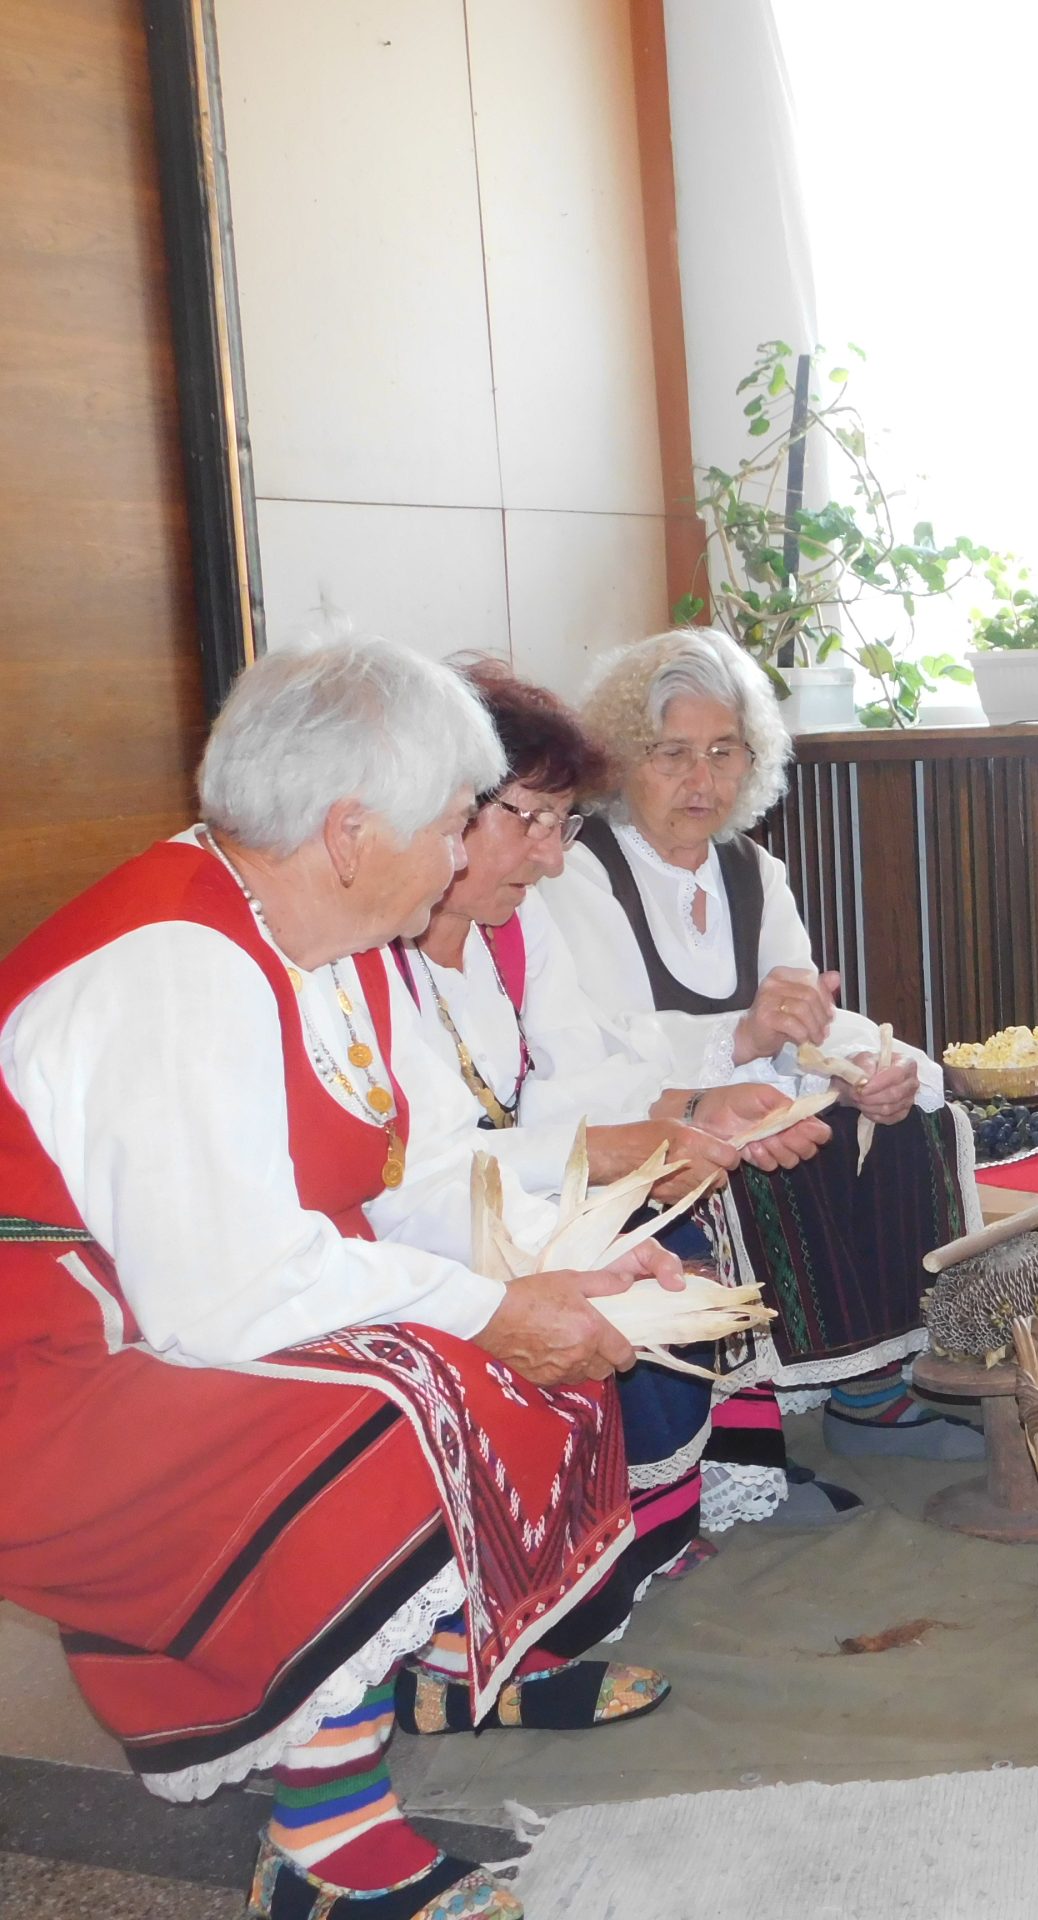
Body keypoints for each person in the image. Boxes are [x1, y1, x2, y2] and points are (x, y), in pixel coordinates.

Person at [0, 638, 681, 1919]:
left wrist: (559, 1271)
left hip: (156, 1326)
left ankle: (427, 1659)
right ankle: (324, 1841)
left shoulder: (327, 945)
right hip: (45, 1378)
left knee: (506, 1339)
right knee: (399, 1402)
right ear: (352, 830)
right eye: (453, 824)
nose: (465, 855)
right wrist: (493, 1311)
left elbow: (417, 1182)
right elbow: (228, 1291)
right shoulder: (180, 960)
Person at [402, 661, 854, 1556]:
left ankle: (668, 1503)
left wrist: (695, 1118)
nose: (553, 854)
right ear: (441, 813)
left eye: (559, 822)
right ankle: (612, 1522)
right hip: (432, 1217)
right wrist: (642, 1138)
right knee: (654, 1233)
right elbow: (419, 1169)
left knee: (670, 1216)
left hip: (513, 1183)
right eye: (526, 819)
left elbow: (585, 1075)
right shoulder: (375, 952)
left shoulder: (517, 926)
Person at [545, 627, 985, 1468]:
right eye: (671, 754)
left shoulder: (754, 871)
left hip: (741, 1096)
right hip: (639, 1116)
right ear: (621, 759)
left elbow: (804, 1017)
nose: (700, 779)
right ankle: (739, 1453)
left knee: (905, 1118)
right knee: (757, 1149)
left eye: (723, 751)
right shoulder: (581, 871)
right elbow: (609, 1047)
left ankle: (870, 1387)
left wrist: (866, 1071)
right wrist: (745, 1036)